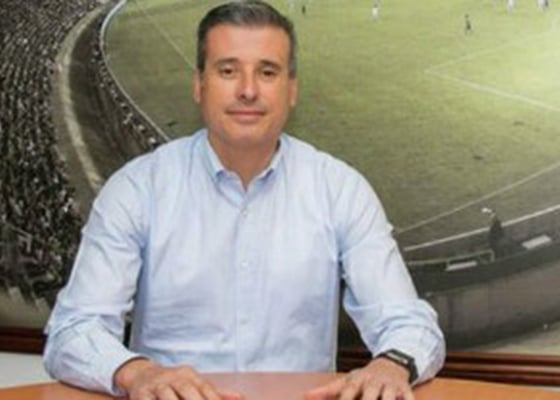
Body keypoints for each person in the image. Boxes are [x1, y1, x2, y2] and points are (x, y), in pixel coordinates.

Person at [43, 1, 445, 400]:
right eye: (228, 70)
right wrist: (137, 373)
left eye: (267, 72)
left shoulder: (340, 189)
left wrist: (391, 364)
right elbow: (73, 331)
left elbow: (408, 323)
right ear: (199, 85)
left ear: (291, 90)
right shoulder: (137, 188)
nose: (248, 90)